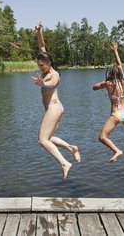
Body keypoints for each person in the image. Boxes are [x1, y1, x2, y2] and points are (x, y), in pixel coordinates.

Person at [33, 21, 80, 179]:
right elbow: (42, 45)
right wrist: (39, 31)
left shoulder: (54, 74)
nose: (40, 67)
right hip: (55, 108)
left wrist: (42, 83)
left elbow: (52, 83)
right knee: (50, 138)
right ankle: (71, 147)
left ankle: (64, 163)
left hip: (54, 107)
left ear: (49, 63)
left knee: (42, 140)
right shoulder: (45, 61)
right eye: (39, 65)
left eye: (42, 65)